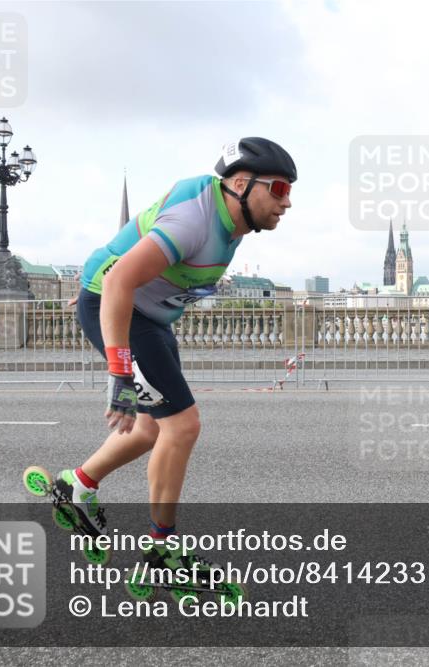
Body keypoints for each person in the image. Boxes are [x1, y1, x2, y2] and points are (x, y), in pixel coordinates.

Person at [56, 138, 295, 559]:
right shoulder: (194, 222)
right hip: (125, 307)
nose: (287, 202)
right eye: (278, 189)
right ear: (240, 183)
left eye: (290, 191)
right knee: (182, 426)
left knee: (151, 428)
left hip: (147, 313)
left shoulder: (231, 217)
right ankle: (161, 551)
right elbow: (117, 281)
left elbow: (134, 237)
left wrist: (102, 277)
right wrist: (120, 372)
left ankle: (76, 484)